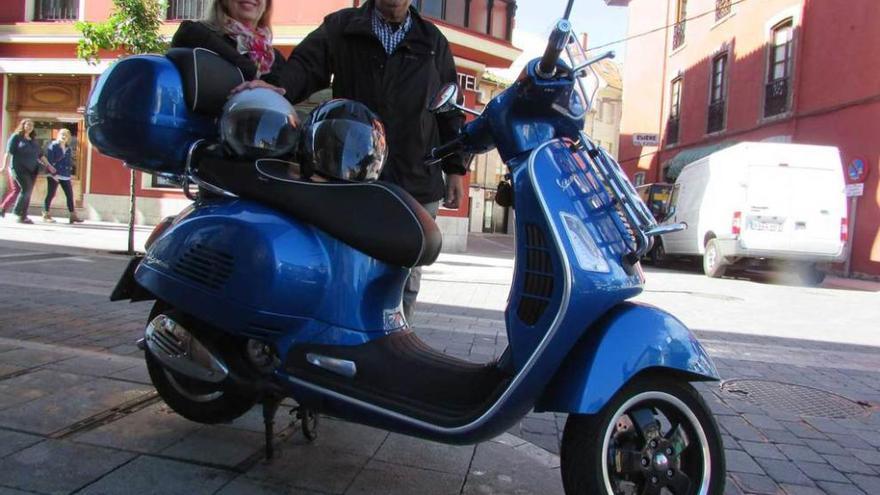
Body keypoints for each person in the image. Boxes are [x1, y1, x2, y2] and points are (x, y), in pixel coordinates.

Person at [236, 0, 467, 321]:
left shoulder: (432, 40)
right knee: (346, 266)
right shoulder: (342, 26)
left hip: (416, 178)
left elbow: (448, 107)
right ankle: (344, 344)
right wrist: (278, 87)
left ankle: (395, 346)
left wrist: (455, 167)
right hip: (351, 174)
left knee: (404, 276)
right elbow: (305, 65)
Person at [170, 0, 285, 84]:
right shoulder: (197, 33)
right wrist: (258, 76)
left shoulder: (276, 58)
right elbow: (188, 32)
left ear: (266, 5)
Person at [1, 119, 55, 224]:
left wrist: (49, 166)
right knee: (26, 189)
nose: (30, 127)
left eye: (32, 125)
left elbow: (41, 155)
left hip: (32, 170)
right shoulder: (16, 137)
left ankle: (22, 216)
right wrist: (4, 166)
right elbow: (8, 152)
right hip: (18, 168)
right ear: (23, 125)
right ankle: (17, 211)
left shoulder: (33, 140)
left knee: (25, 192)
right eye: (28, 124)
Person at [42, 129, 83, 224]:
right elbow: (50, 161)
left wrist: (70, 173)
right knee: (51, 194)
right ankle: (46, 214)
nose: (64, 136)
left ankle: (73, 215)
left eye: (66, 135)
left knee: (69, 195)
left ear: (68, 137)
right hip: (54, 173)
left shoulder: (68, 148)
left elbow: (68, 161)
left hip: (65, 174)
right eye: (62, 134)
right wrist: (53, 174)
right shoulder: (53, 146)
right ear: (58, 135)